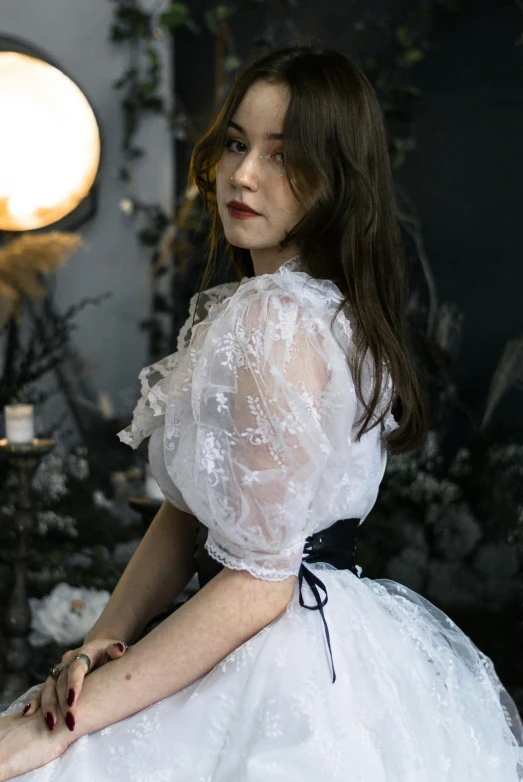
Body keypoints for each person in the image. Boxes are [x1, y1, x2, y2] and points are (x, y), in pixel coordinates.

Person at [0, 44, 522, 781]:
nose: (242, 175)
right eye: (238, 144)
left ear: (337, 181)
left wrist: (65, 728)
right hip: (332, 636)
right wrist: (97, 643)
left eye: (283, 156)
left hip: (274, 649)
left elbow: (257, 579)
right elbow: (187, 513)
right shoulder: (322, 309)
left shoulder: (275, 320)